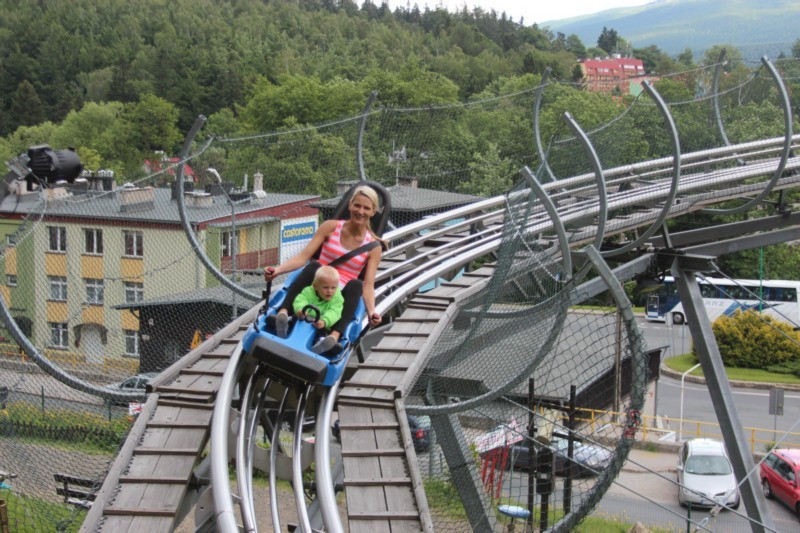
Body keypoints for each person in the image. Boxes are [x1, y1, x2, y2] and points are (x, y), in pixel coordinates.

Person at [264, 185, 385, 348]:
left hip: (339, 295)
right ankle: (283, 313)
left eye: (366, 208)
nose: (360, 211)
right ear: (350, 205)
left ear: (373, 212)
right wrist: (278, 270)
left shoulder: (373, 247)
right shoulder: (330, 227)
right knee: (314, 266)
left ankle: (334, 336)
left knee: (357, 285)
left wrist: (371, 312)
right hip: (317, 283)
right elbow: (303, 257)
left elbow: (368, 285)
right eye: (357, 205)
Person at [293, 266, 345, 353]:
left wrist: (324, 321)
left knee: (321, 332)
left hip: (319, 324)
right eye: (325, 287)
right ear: (315, 286)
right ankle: (285, 325)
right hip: (303, 318)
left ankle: (320, 344)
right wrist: (301, 309)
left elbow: (335, 312)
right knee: (295, 319)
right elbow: (301, 300)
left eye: (333, 288)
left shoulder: (337, 299)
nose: (330, 291)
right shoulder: (308, 291)